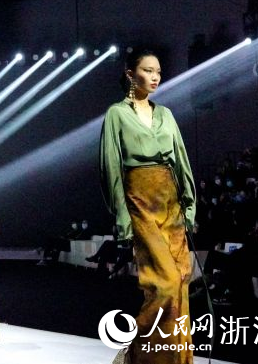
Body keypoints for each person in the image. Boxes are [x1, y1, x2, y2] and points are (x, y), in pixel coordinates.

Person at [100, 50, 195, 364]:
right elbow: (111, 167)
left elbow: (181, 161)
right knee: (164, 284)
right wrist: (122, 217)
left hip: (172, 204)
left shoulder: (165, 114)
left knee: (180, 283)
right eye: (148, 70)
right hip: (140, 202)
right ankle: (134, 353)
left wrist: (190, 206)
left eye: (158, 71)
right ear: (131, 73)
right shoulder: (116, 114)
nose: (155, 77)